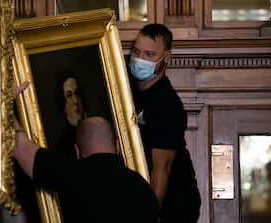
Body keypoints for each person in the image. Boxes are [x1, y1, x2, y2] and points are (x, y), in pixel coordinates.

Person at [13, 114, 159, 223]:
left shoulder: (70, 175)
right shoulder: (144, 189)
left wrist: (3, 100)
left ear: (77, 151)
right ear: (118, 146)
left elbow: (21, 148)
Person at [128, 23, 201, 223]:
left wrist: (148, 218)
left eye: (149, 54)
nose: (140, 59)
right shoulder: (124, 89)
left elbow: (163, 168)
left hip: (175, 207)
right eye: (136, 51)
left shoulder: (168, 105)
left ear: (166, 57)